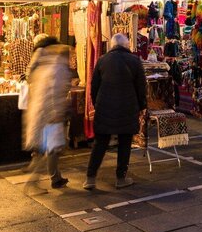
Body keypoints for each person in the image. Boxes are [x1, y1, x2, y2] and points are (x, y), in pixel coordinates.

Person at [84, 34, 146, 190]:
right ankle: (120, 178)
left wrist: (97, 104)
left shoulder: (102, 60)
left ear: (112, 45)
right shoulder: (134, 60)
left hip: (105, 106)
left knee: (100, 143)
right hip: (128, 106)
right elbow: (141, 87)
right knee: (125, 144)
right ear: (126, 45)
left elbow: (94, 86)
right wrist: (141, 106)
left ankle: (90, 178)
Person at [22, 36, 73, 191]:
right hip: (50, 114)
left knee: (50, 149)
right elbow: (55, 93)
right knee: (50, 148)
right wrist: (57, 113)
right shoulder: (58, 68)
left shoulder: (44, 65)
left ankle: (55, 177)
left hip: (40, 112)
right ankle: (34, 181)